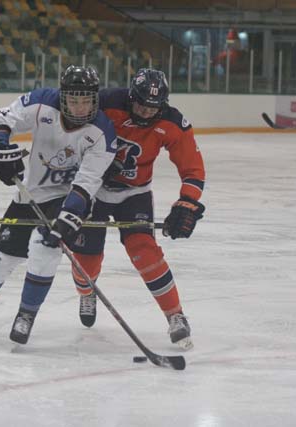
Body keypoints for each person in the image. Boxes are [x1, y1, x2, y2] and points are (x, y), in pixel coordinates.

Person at [0, 65, 117, 345]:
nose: (80, 106)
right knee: (1, 259)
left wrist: (71, 213)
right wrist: (0, 147)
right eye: (73, 99)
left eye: (86, 100)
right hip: (30, 193)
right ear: (62, 97)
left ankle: (26, 314)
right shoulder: (42, 102)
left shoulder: (102, 131)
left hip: (66, 196)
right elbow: (1, 119)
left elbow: (89, 179)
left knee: (44, 248)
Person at [68, 68, 205, 350]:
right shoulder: (106, 103)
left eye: (152, 107)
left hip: (135, 194)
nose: (144, 111)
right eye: (140, 103)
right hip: (92, 190)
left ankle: (175, 316)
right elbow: (70, 133)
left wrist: (188, 201)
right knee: (85, 258)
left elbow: (192, 167)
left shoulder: (173, 122)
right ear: (131, 96)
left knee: (146, 252)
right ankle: (86, 291)